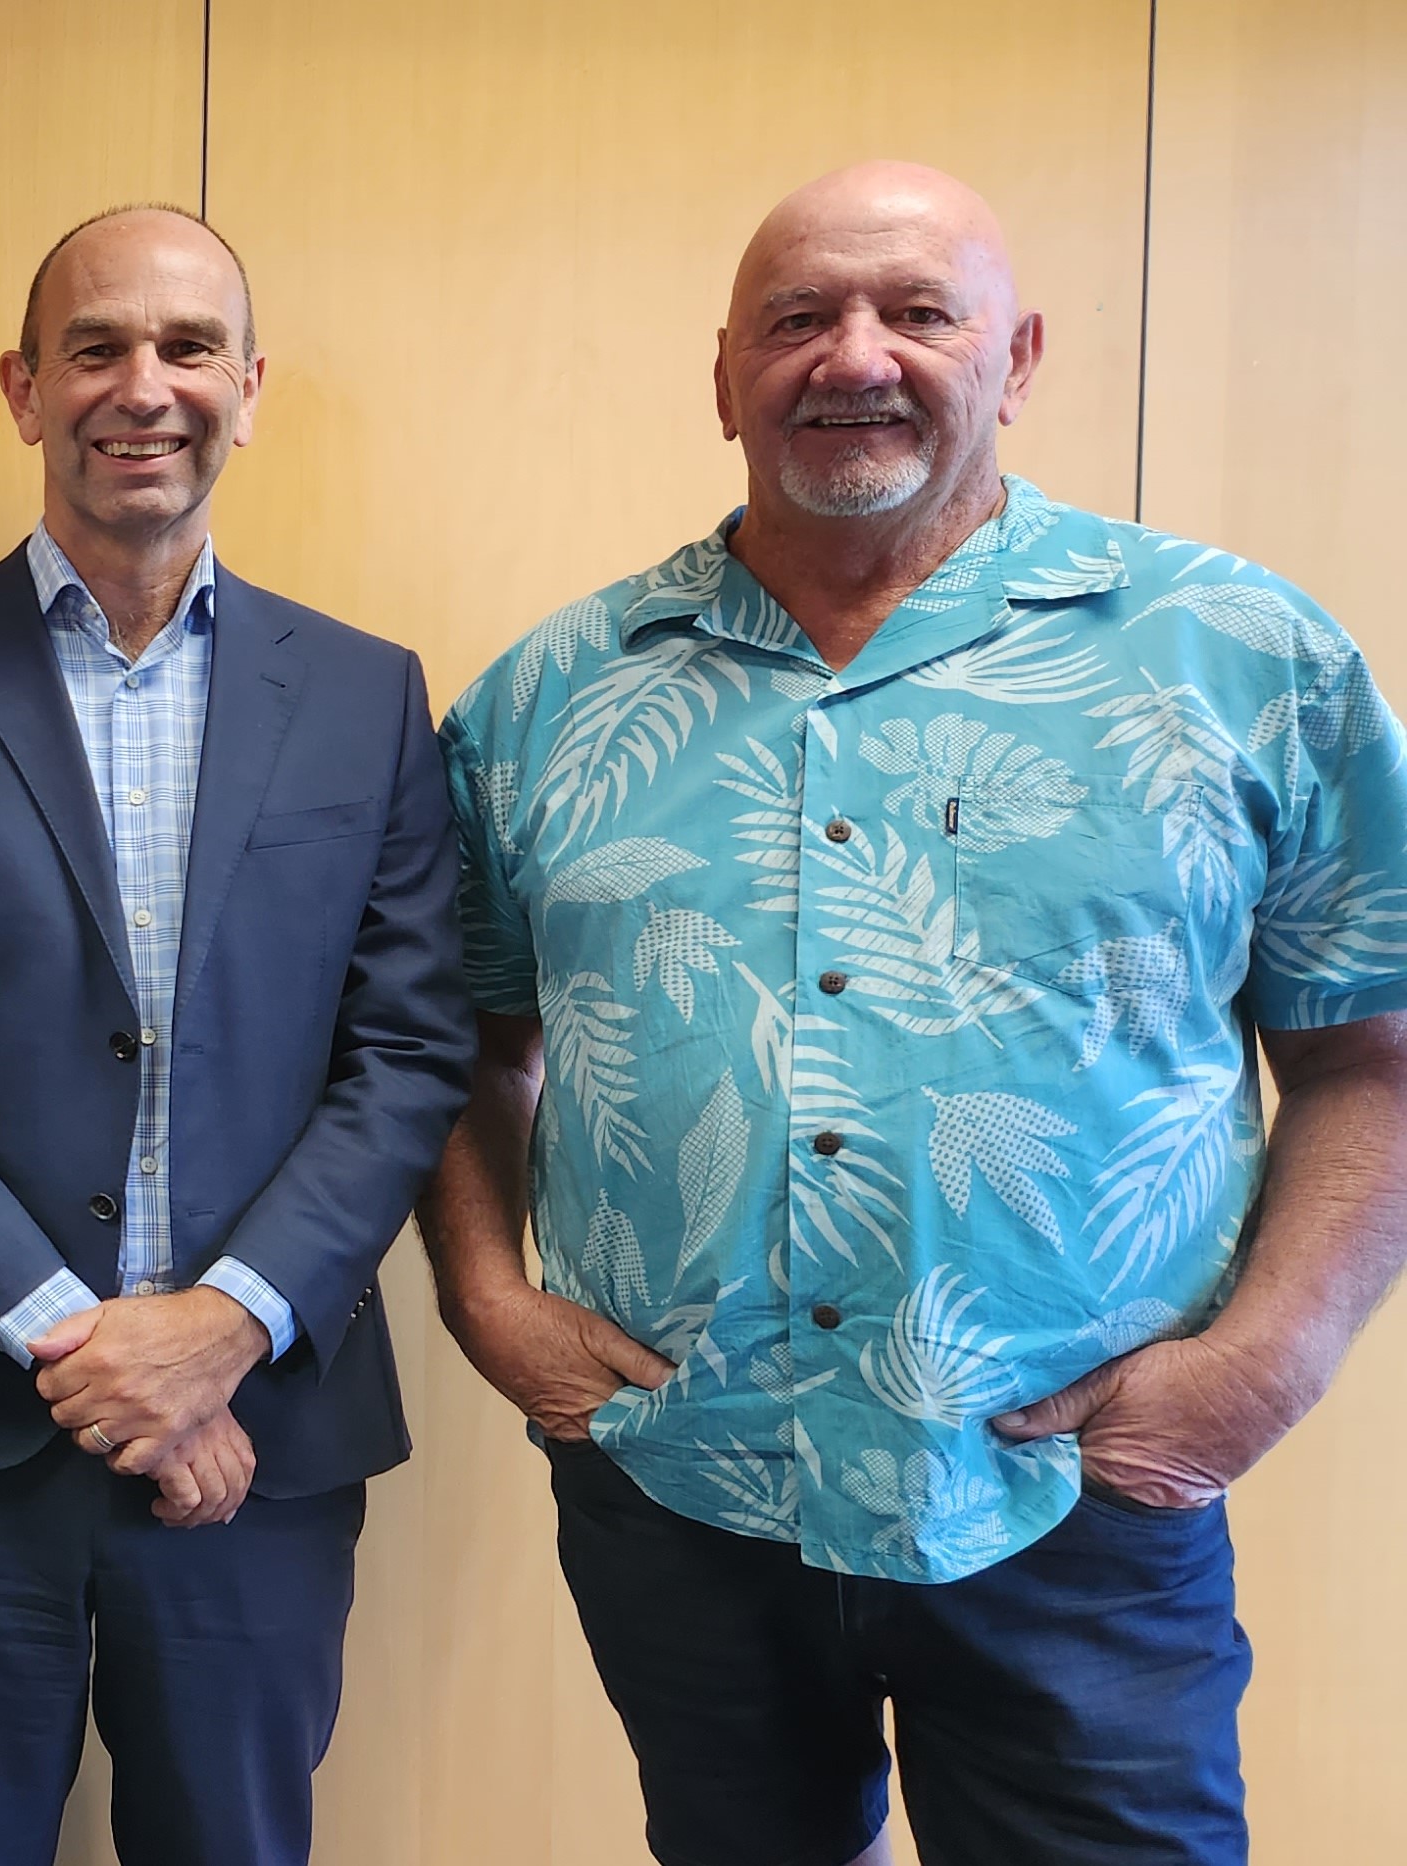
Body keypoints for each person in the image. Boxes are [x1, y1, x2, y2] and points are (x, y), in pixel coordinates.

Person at [423, 159, 1407, 1866]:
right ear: (724, 372)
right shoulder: (553, 695)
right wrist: (491, 1299)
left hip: (1079, 1495)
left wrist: (1266, 1364)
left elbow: (1370, 1051)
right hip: (683, 1478)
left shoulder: (1240, 655)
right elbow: (459, 1036)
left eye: (916, 313)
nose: (853, 355)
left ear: (1016, 359)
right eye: (798, 318)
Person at [0, 204, 472, 1866]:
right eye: (96, 346)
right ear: (25, 388)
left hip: (264, 1434)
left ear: (251, 384)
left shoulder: (366, 694)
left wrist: (221, 1333)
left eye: (185, 347)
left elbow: (407, 1056)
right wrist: (90, 1355)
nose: (141, 386)